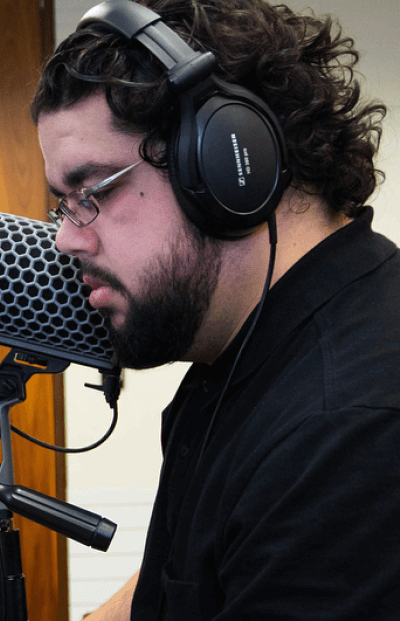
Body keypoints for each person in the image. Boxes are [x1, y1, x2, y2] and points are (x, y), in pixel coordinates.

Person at [30, 0, 397, 618]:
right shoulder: (245, 353)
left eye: (89, 191)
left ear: (227, 163)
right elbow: (194, 570)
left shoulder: (347, 433)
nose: (66, 238)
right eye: (60, 204)